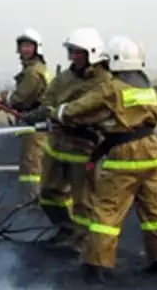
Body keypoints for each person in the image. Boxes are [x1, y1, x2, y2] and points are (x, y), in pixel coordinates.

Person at [26, 35, 157, 284]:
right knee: (155, 209)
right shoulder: (145, 87)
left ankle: (96, 266)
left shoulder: (111, 88)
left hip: (124, 155)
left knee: (106, 211)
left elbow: (80, 108)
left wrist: (56, 113)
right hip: (151, 152)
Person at [34, 27, 112, 253]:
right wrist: (44, 111)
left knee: (84, 201)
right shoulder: (64, 78)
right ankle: (65, 229)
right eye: (71, 52)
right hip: (57, 145)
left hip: (84, 150)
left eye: (78, 53)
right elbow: (49, 98)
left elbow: (93, 110)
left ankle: (83, 242)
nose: (73, 57)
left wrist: (62, 115)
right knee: (48, 194)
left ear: (93, 53)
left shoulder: (104, 82)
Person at [0, 28, 52, 206]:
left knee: (31, 167)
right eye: (23, 46)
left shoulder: (33, 73)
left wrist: (4, 98)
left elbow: (19, 99)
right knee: (36, 164)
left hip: (35, 126)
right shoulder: (37, 69)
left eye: (29, 46)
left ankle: (31, 205)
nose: (25, 50)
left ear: (37, 48)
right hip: (36, 124)